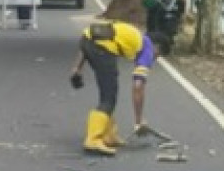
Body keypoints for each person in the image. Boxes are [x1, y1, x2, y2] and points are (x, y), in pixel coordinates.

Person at [69, 19, 172, 155]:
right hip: (103, 49)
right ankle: (93, 139)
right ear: (156, 47)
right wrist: (139, 120)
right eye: (157, 55)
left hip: (89, 41)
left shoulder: (133, 35)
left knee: (109, 91)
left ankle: (108, 135)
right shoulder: (146, 48)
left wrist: (77, 68)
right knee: (109, 98)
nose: (154, 59)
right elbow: (138, 86)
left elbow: (89, 38)